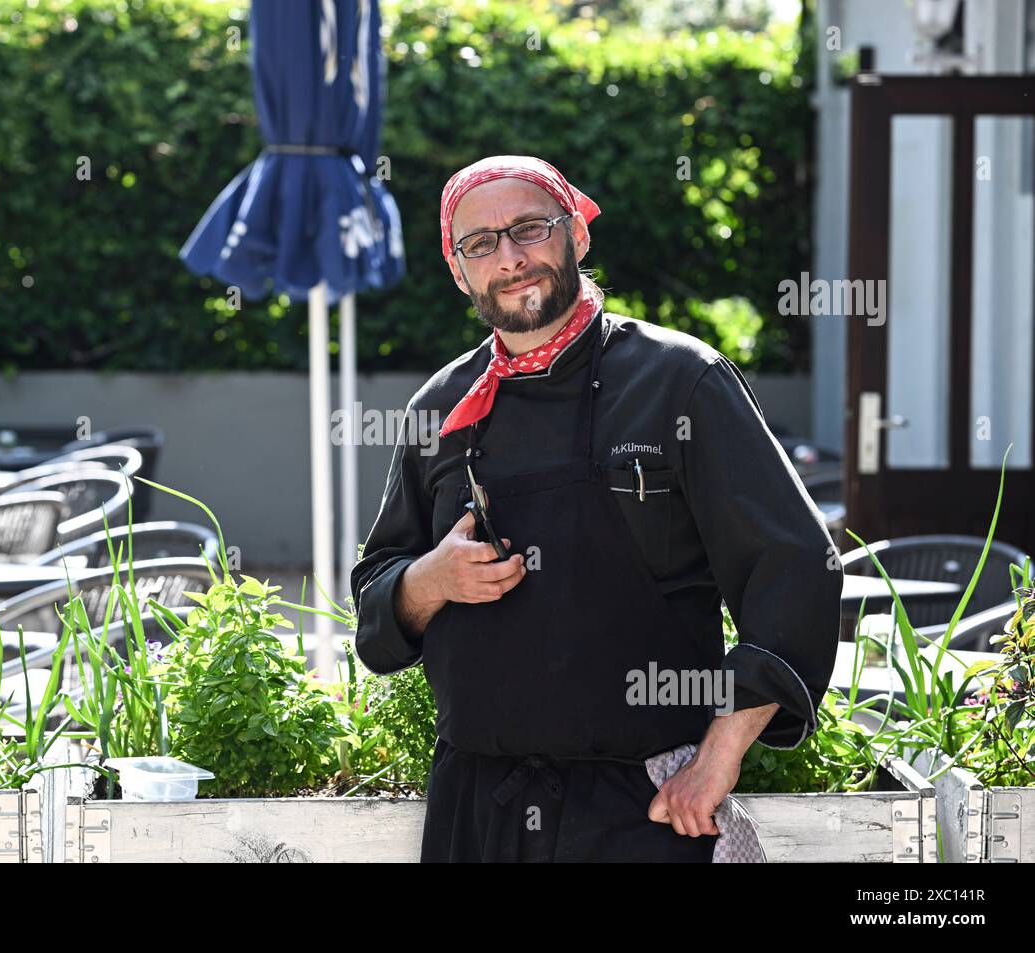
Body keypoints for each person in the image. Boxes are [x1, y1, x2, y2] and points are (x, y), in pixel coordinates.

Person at [349, 155, 842, 862]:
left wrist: (720, 755)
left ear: (576, 233)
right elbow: (378, 592)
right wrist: (430, 582)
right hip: (478, 810)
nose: (511, 257)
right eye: (480, 244)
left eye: (529, 228)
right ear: (458, 271)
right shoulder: (442, 408)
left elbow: (795, 565)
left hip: (643, 808)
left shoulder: (679, 381)